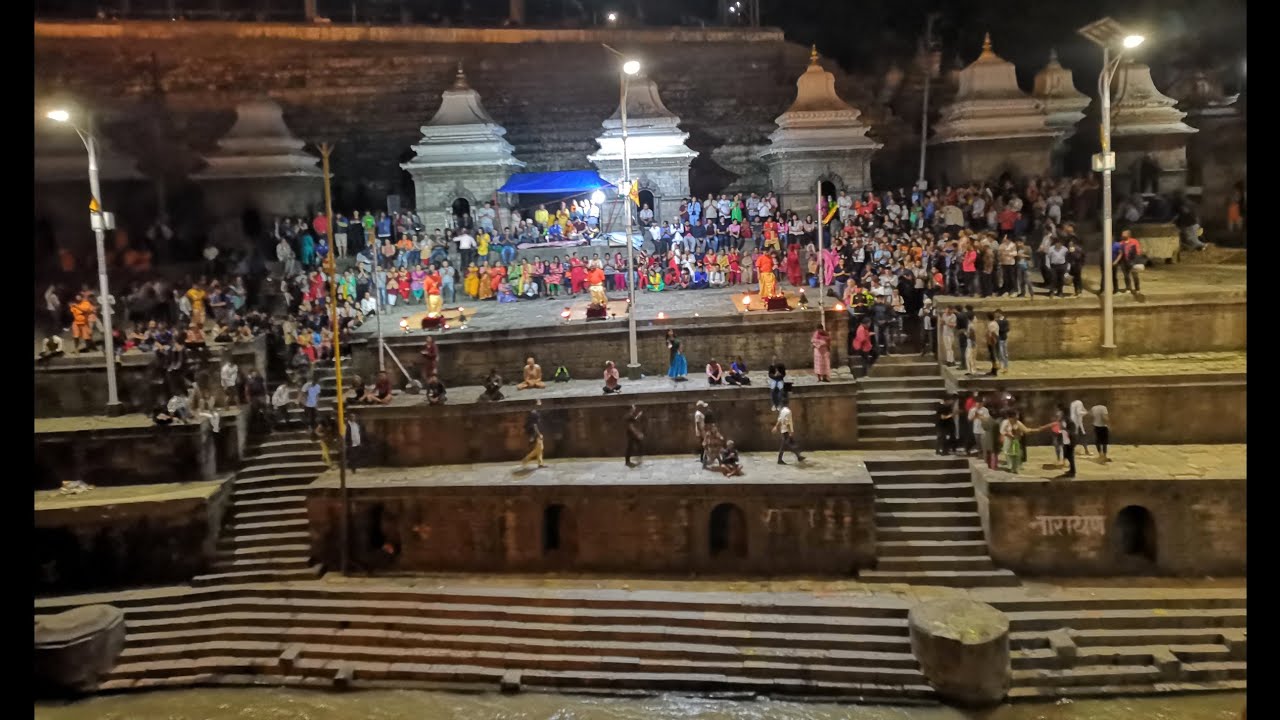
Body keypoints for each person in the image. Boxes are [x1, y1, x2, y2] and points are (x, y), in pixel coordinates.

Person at [521, 400, 546, 469]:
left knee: (539, 449)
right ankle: (526, 459)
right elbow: (534, 425)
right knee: (539, 448)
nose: (541, 403)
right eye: (539, 401)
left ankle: (540, 463)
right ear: (535, 404)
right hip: (536, 433)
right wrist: (538, 434)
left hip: (537, 433)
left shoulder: (536, 412)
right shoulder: (534, 413)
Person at [693, 401, 708, 466]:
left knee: (703, 445)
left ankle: (704, 457)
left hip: (702, 431)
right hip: (701, 432)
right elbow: (698, 423)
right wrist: (701, 432)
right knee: (703, 445)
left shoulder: (700, 413)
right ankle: (703, 458)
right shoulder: (698, 414)